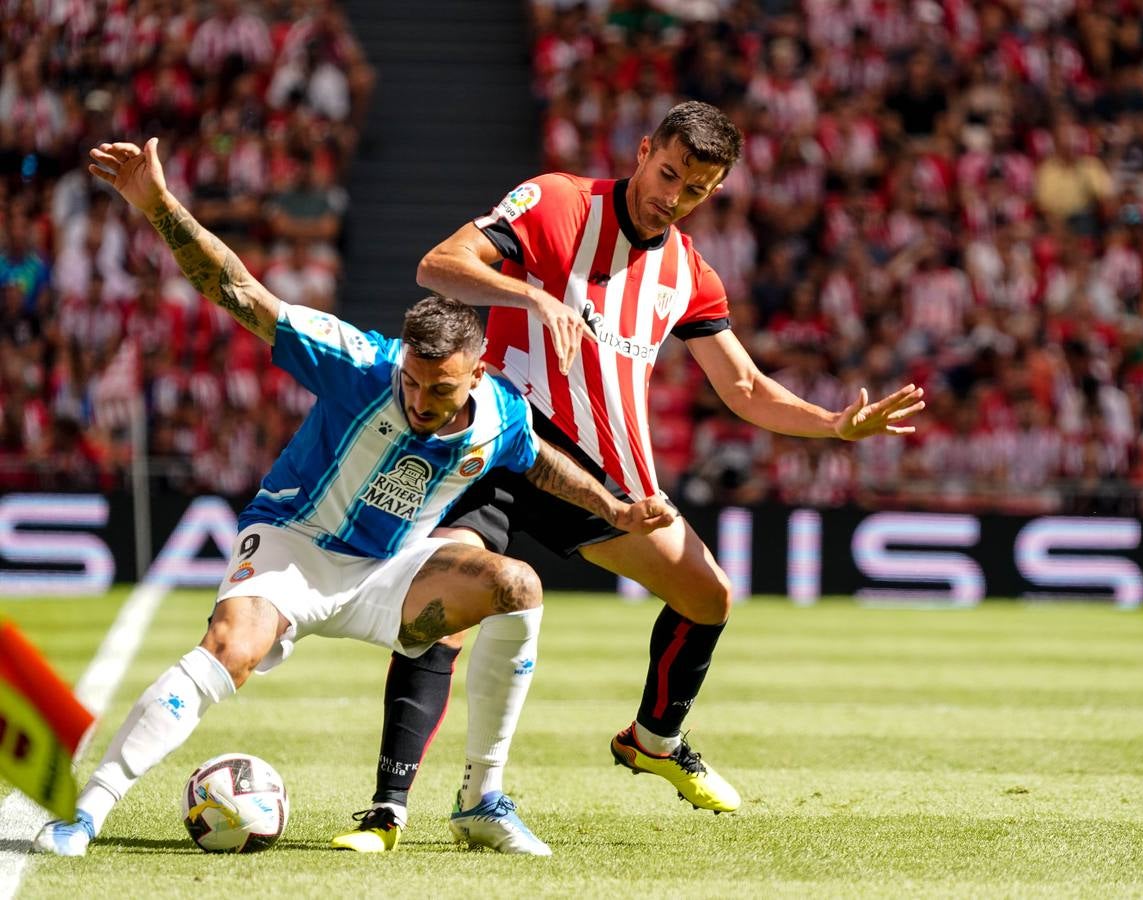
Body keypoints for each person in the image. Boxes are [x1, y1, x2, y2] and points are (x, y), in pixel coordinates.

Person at [32, 138, 675, 858]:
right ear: (401, 358)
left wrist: (616, 511)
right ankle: (85, 814)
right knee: (229, 649)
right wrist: (158, 205)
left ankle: (482, 798)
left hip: (387, 573)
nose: (423, 400)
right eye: (415, 380)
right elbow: (239, 289)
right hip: (292, 548)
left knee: (517, 584)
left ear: (477, 373)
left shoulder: (500, 412)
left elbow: (539, 464)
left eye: (442, 388)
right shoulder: (357, 364)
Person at [332, 101, 925, 853]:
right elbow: (438, 265)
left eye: (695, 190)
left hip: (597, 478)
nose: (672, 197)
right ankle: (387, 812)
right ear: (643, 152)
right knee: (446, 613)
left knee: (708, 594)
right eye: (668, 173)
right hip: (495, 446)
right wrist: (533, 295)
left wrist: (837, 425)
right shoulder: (555, 202)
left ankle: (654, 738)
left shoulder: (688, 274)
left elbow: (744, 388)